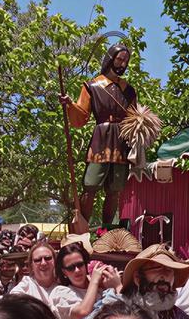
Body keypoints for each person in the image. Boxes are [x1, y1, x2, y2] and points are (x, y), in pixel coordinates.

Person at [61, 43, 145, 228]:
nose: (122, 64)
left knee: (115, 189)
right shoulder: (92, 86)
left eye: (126, 61)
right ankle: (81, 227)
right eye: (120, 59)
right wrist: (70, 105)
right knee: (90, 185)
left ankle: (107, 230)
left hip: (122, 141)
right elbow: (81, 116)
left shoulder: (129, 90)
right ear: (110, 58)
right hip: (101, 139)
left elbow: (134, 116)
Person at [51, 243, 118, 319]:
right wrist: (95, 281)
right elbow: (83, 312)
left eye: (80, 265)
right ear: (64, 272)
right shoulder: (60, 293)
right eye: (71, 268)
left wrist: (114, 285)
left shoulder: (100, 288)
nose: (77, 270)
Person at [11, 239, 58, 305]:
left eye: (47, 258)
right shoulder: (26, 285)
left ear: (55, 261)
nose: (43, 263)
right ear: (31, 265)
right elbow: (12, 299)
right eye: (38, 260)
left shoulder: (63, 283)